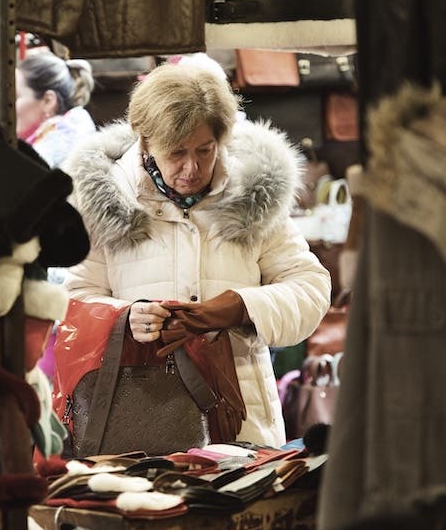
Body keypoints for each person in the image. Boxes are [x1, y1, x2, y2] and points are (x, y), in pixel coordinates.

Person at [63, 61, 331, 447]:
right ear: (145, 142)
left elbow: (311, 286)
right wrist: (125, 318)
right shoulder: (104, 204)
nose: (192, 168)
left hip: (242, 420)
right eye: (176, 153)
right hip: (140, 419)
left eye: (205, 150)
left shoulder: (253, 201)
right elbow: (73, 305)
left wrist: (241, 307)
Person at [15, 49, 96, 169]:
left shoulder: (50, 153)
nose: (7, 105)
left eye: (16, 96)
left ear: (48, 101)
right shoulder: (73, 129)